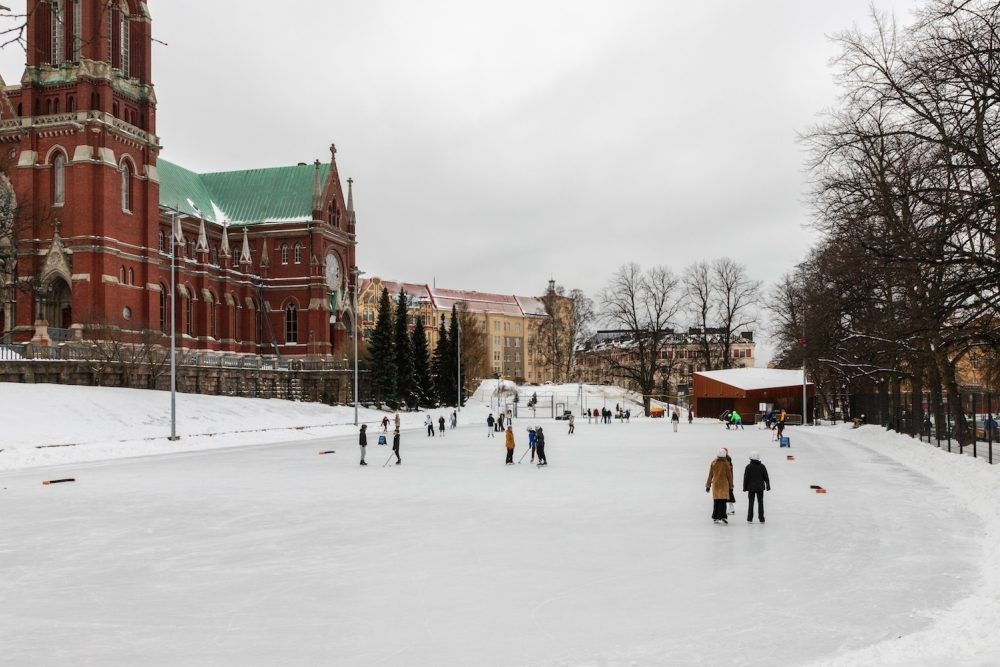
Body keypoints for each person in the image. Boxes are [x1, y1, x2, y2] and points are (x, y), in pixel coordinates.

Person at [705, 448, 733, 523]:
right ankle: (723, 516)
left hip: (716, 485)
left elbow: (710, 475)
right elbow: (729, 476)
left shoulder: (713, 463)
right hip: (724, 485)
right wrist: (731, 486)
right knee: (723, 502)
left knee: (716, 501)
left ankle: (716, 517)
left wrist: (708, 485)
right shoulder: (726, 464)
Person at [743, 451, 770, 522]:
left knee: (751, 503)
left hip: (751, 488)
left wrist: (744, 487)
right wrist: (768, 486)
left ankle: (749, 518)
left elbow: (746, 478)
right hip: (760, 488)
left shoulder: (748, 467)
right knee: (760, 503)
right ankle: (761, 518)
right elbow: (766, 477)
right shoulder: (762, 466)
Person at [723, 448, 736, 515]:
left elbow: (729, 473)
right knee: (728, 494)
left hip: (727, 481)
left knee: (728, 494)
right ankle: (730, 508)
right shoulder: (728, 460)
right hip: (727, 481)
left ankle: (731, 509)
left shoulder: (727, 461)